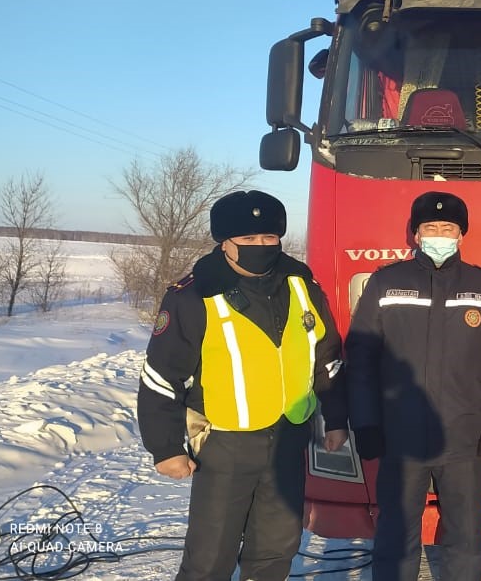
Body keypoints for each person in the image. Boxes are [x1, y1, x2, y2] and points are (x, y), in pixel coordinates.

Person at [137, 189, 349, 581]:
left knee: (276, 550)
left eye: (269, 238)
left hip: (289, 437)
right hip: (225, 444)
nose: (261, 246)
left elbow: (327, 357)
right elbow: (161, 377)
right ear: (225, 243)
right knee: (210, 556)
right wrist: (164, 448)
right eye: (248, 240)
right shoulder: (194, 295)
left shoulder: (302, 286)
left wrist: (335, 419)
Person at [345, 191, 481, 581]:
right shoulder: (385, 284)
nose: (439, 235)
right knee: (395, 537)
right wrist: (365, 423)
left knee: (467, 538)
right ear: (415, 234)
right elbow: (360, 360)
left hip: (464, 439)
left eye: (448, 228)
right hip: (399, 439)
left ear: (461, 235)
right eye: (430, 227)